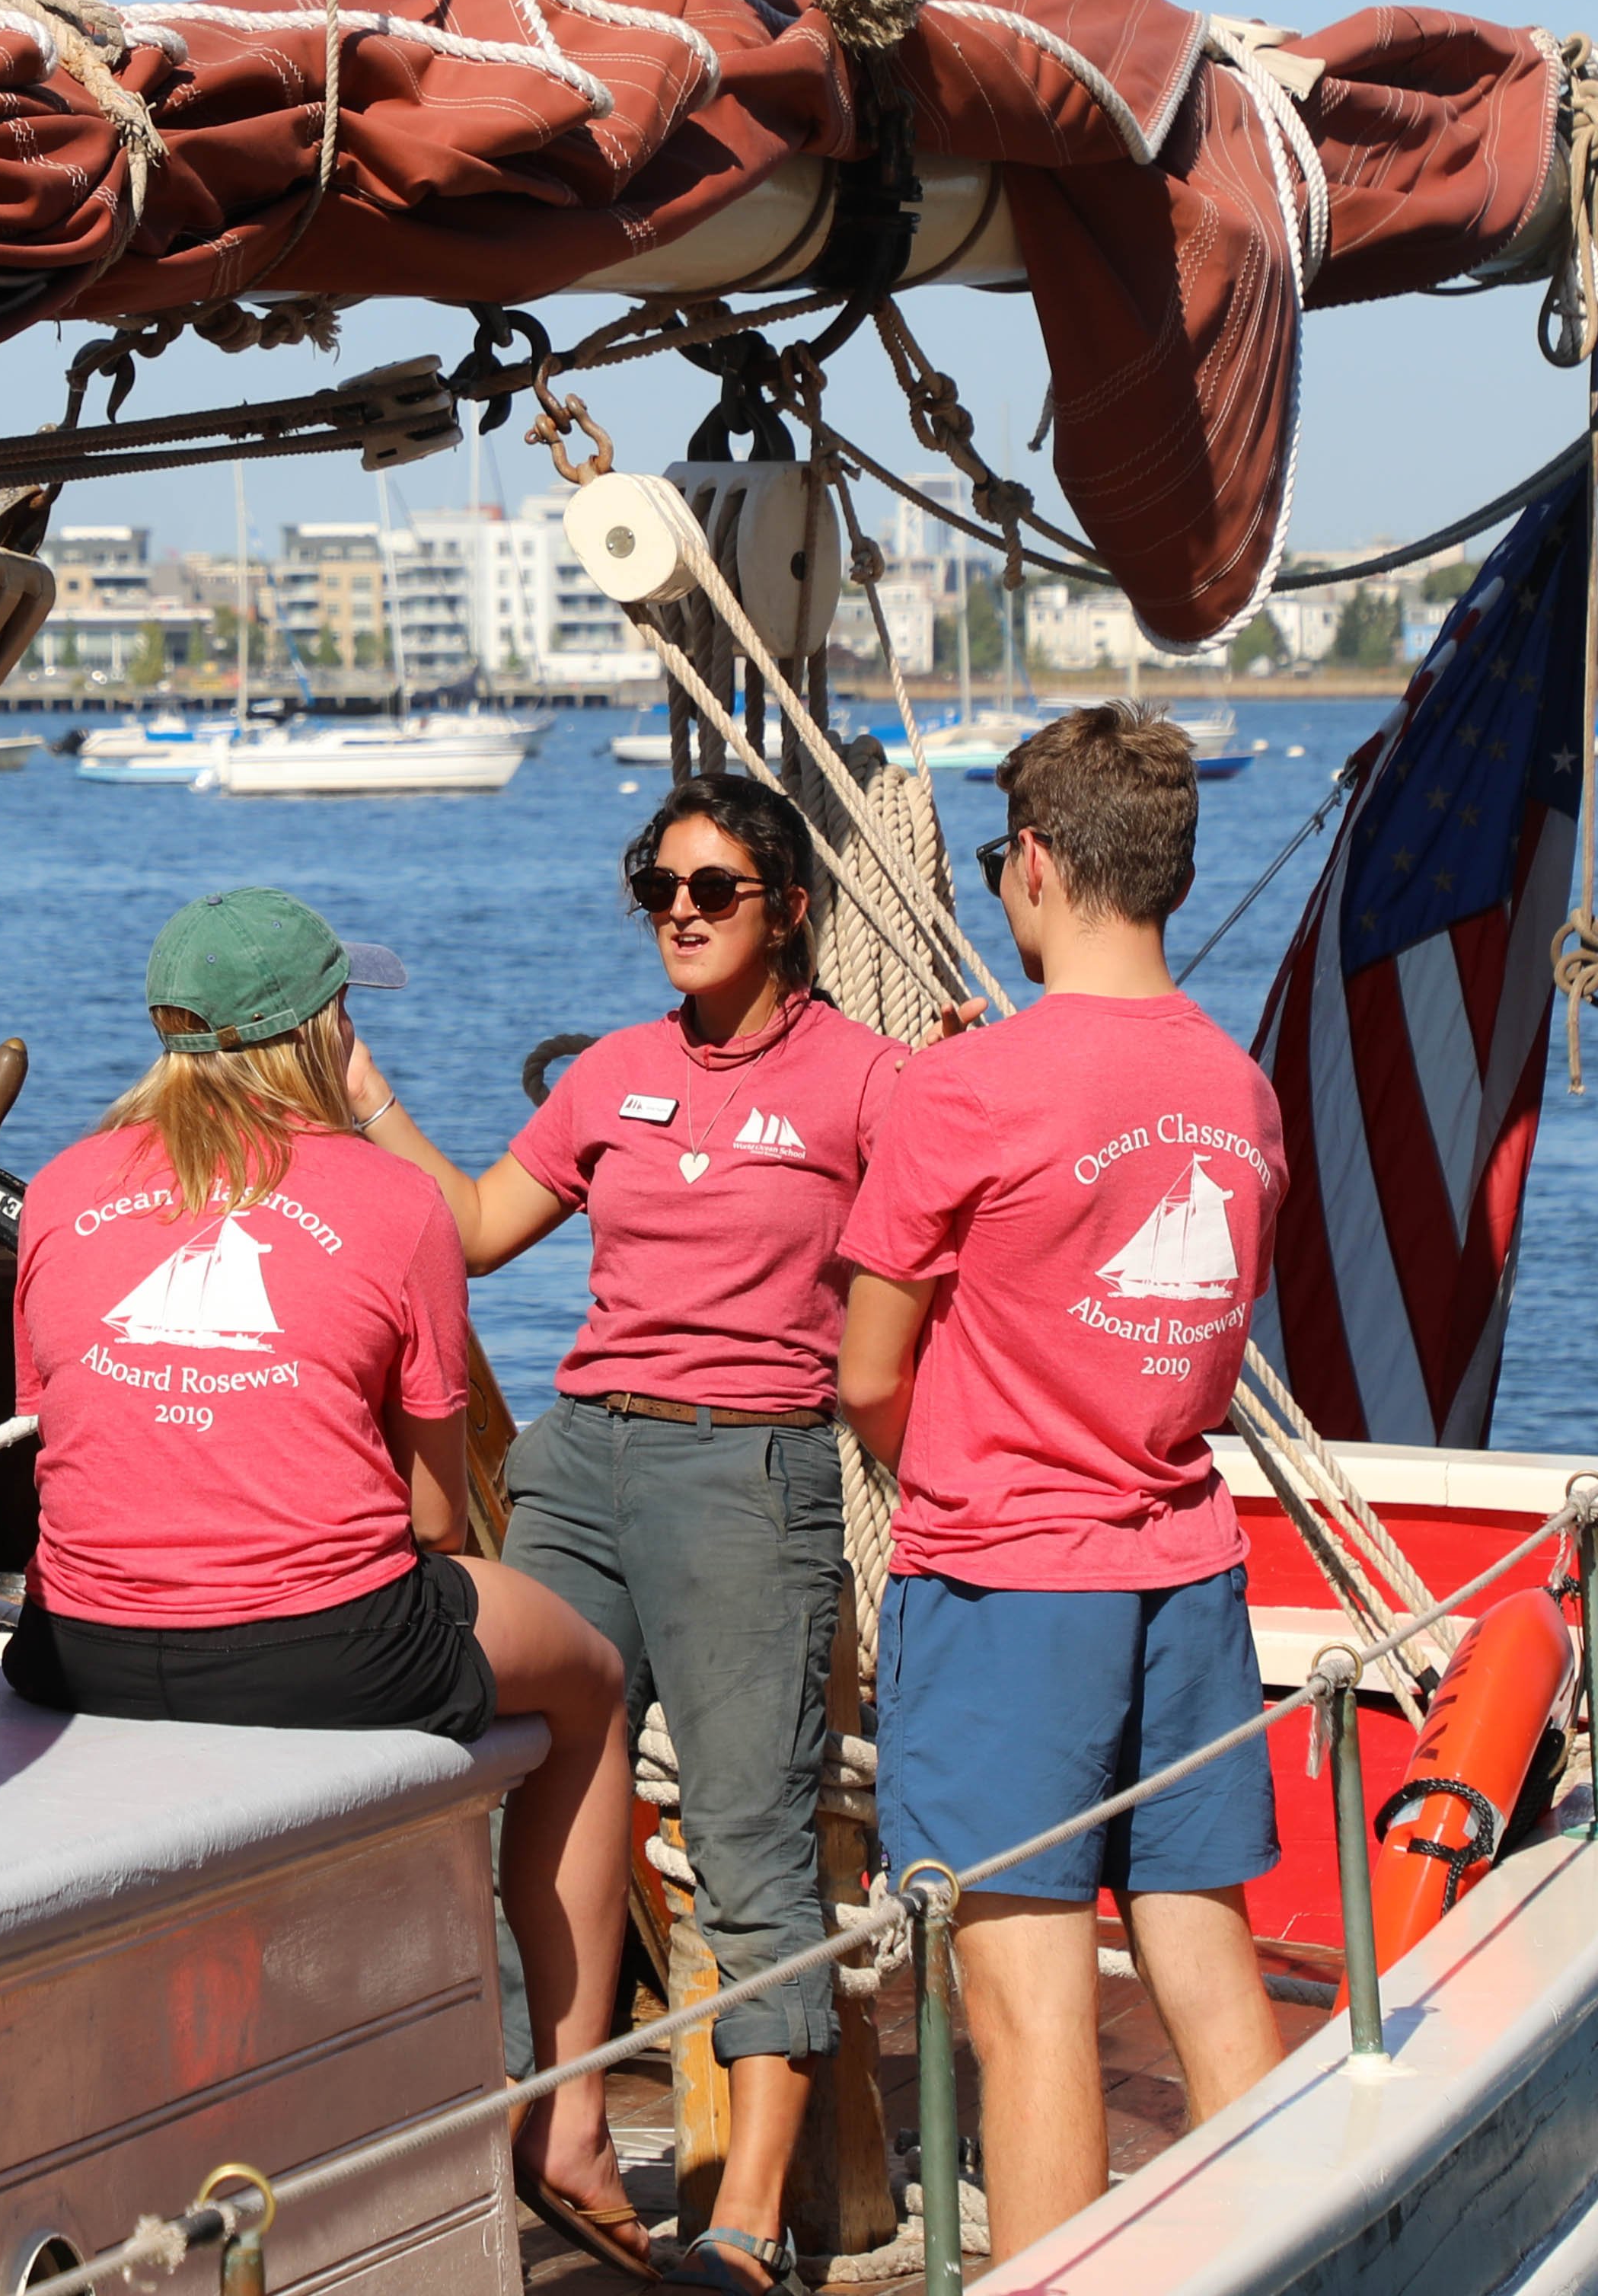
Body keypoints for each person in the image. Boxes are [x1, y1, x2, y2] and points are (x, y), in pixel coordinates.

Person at [6, 889, 646, 2272]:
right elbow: (423, 1508)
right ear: (322, 1030)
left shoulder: (60, 1188)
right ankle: (571, 2114)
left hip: (80, 1643)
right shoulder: (390, 1197)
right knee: (588, 1680)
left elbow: (66, 1437)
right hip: (321, 1644)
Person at [391, 773, 907, 2290]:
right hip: (580, 1464)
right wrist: (362, 1095)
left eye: (713, 886)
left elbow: (961, 1229)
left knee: (751, 1842)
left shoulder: (868, 1079)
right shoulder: (613, 1071)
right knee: (510, 1784)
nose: (679, 908)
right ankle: (554, 2136)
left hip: (747, 1475)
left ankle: (741, 2226)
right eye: (658, 883)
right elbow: (479, 1228)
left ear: (787, 907)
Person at [837, 706, 1293, 2262]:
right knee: (1207, 1963)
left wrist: (957, 1477)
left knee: (1029, 2012)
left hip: (1005, 1588)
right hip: (1183, 1565)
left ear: (1029, 864)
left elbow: (864, 1370)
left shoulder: (963, 1090)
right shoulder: (1238, 1090)